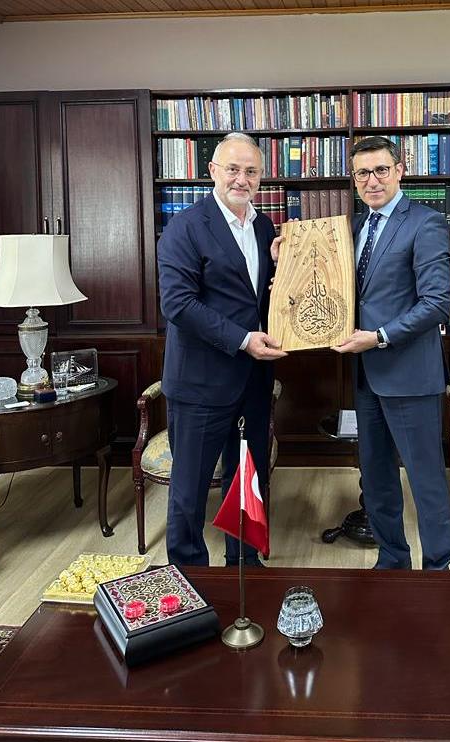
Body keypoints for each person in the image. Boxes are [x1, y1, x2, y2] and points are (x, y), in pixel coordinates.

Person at [158, 132, 286, 567]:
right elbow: (178, 304)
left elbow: (254, 297)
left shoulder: (264, 227)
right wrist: (243, 340)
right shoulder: (185, 227)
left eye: (251, 171)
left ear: (261, 177)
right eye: (232, 169)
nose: (241, 179)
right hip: (200, 384)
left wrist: (281, 269)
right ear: (213, 171)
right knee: (190, 490)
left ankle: (245, 564)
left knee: (248, 480)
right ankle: (189, 574)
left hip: (253, 382)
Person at [334, 136, 450, 570]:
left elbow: (436, 303)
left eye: (381, 170)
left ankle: (438, 569)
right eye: (362, 173)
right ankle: (392, 562)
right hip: (365, 375)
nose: (372, 180)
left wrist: (379, 336)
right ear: (354, 180)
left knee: (425, 480)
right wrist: (284, 260)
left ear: (400, 170)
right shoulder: (352, 227)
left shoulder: (425, 223)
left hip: (410, 374)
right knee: (377, 477)